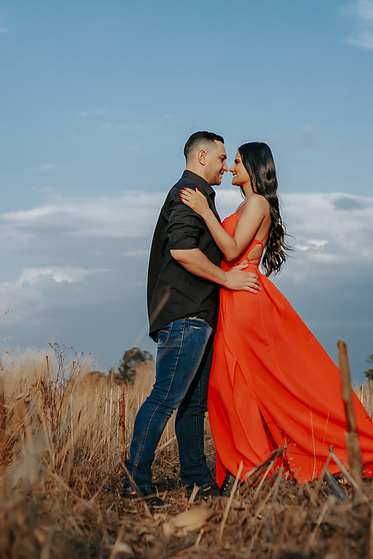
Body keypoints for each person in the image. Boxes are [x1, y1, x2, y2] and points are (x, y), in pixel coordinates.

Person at [180, 141, 373, 486]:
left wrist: (204, 210)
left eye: (236, 162)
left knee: (252, 386)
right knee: (235, 387)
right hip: (232, 297)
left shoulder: (256, 203)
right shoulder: (247, 204)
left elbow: (231, 248)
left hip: (245, 300)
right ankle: (251, 465)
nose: (229, 167)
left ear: (254, 168)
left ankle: (265, 463)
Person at [122, 131, 261, 509]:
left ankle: (198, 483)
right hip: (185, 313)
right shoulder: (187, 192)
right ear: (201, 156)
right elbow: (183, 251)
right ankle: (136, 479)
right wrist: (228, 278)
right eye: (220, 158)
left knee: (191, 406)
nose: (224, 166)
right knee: (166, 397)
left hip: (197, 315)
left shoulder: (201, 198)